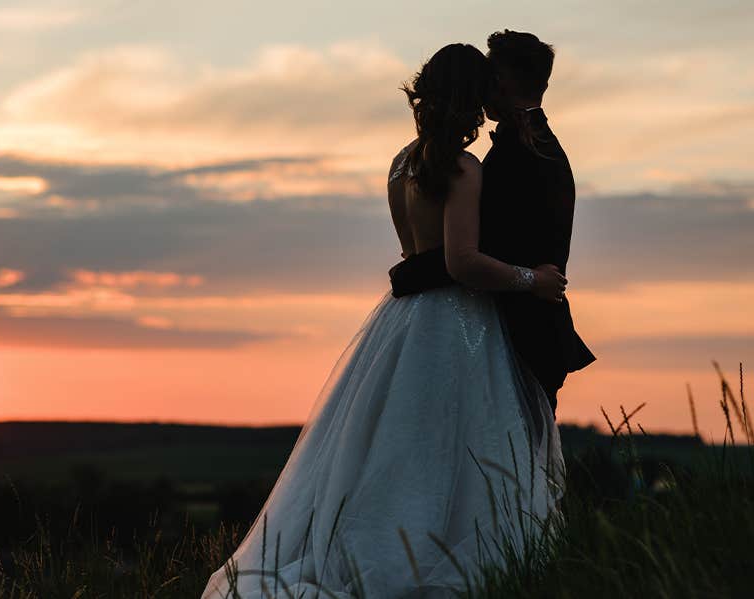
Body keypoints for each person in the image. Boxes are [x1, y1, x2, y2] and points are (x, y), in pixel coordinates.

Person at [200, 43, 565, 599]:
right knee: (452, 452)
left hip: (403, 319)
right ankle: (422, 557)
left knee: (395, 450)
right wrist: (530, 280)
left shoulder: (401, 164)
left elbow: (413, 251)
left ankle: (380, 545)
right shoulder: (464, 169)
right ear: (471, 98)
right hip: (456, 323)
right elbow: (459, 262)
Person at [389, 30, 595, 415]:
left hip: (522, 333)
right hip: (473, 327)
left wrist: (407, 276)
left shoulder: (519, 155)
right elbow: (468, 253)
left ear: (500, 81)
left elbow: (479, 250)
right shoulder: (492, 157)